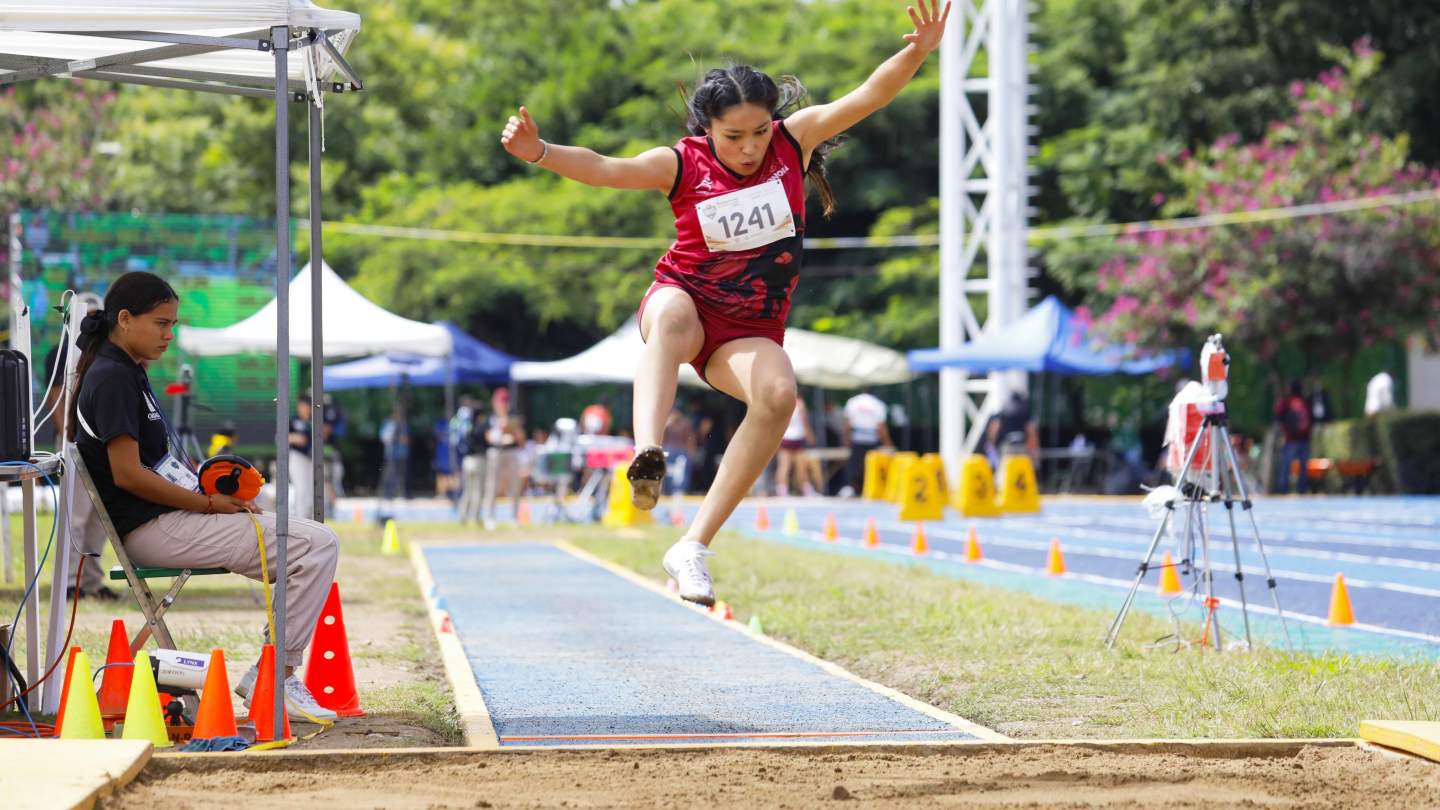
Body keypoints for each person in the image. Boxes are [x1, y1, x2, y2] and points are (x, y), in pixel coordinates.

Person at [503, 1, 952, 604]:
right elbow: (607, 167)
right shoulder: (681, 163)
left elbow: (868, 95)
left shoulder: (793, 143)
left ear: (775, 121)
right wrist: (539, 151)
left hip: (747, 330)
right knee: (671, 316)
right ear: (707, 130)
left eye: (760, 132)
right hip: (684, 301)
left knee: (778, 395)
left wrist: (918, 51)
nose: (749, 148)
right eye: (734, 136)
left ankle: (691, 547)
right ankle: (647, 449)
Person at [69, 271, 339, 721]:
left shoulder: (128, 372)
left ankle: (276, 670)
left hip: (172, 519)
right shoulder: (112, 378)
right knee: (317, 545)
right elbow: (129, 476)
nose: (169, 335)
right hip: (153, 529)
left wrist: (208, 492)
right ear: (124, 319)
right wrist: (209, 504)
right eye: (160, 323)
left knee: (309, 540)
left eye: (172, 324)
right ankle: (276, 674)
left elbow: (157, 466)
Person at [41, 319, 119, 601]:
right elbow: (55, 397)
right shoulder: (61, 352)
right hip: (74, 445)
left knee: (100, 518)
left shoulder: (109, 352)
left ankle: (92, 580)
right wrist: (69, 438)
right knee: (76, 516)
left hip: (103, 445)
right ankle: (71, 581)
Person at [482, 388, 525, 528]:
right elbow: (487, 437)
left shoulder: (514, 417)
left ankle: (513, 517)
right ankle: (490, 517)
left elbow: (521, 440)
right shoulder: (490, 418)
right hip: (496, 452)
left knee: (514, 486)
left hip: (511, 452)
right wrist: (499, 431)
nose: (502, 406)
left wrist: (512, 428)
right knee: (492, 486)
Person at [841, 388, 892, 498]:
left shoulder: (853, 402)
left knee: (854, 464)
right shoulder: (878, 405)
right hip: (871, 438)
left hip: (857, 437)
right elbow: (881, 427)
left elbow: (848, 424)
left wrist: (845, 438)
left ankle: (850, 487)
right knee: (870, 465)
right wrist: (888, 443)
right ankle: (868, 487)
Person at [452, 395, 489, 525]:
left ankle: (463, 516)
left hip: (467, 461)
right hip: (478, 460)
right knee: (478, 490)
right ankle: (476, 516)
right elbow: (487, 443)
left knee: (467, 490)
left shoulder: (467, 427)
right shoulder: (481, 428)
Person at [775, 394, 822, 496]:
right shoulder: (800, 403)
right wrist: (810, 435)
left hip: (785, 437)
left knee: (784, 466)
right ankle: (806, 490)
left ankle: (782, 491)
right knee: (801, 467)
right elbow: (804, 421)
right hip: (798, 437)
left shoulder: (783, 402)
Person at [1273, 380, 1312, 494]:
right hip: (1304, 438)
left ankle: (1283, 489)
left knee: (1286, 465)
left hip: (1291, 439)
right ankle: (1302, 488)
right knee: (1303, 467)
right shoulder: (1305, 402)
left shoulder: (1287, 402)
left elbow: (1278, 415)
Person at [661, 406, 698, 495]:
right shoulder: (667, 424)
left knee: (680, 474)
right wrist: (666, 424)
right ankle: (667, 490)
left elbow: (691, 439)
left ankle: (679, 490)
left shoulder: (685, 424)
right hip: (668, 451)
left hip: (681, 451)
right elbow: (661, 438)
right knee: (666, 472)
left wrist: (691, 453)